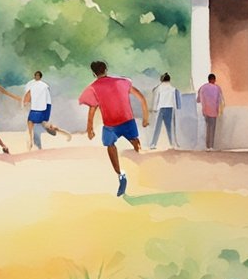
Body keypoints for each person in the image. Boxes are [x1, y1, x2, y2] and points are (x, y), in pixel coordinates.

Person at [78, 60, 149, 197]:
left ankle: (120, 174)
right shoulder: (122, 81)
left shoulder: (93, 88)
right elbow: (141, 97)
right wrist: (145, 117)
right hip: (127, 120)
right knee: (135, 143)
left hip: (111, 124)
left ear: (93, 73)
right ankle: (140, 162)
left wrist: (89, 128)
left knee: (111, 146)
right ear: (106, 69)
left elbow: (93, 109)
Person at [22, 70, 73, 149]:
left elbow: (29, 96)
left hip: (38, 108)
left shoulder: (32, 85)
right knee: (45, 124)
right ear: (41, 77)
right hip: (47, 106)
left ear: (35, 77)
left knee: (30, 122)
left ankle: (30, 142)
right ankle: (67, 134)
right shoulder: (45, 85)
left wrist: (25, 103)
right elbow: (46, 97)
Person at [148, 73, 180, 150]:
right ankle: (172, 144)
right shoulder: (173, 89)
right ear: (169, 79)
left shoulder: (158, 88)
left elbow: (156, 99)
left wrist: (154, 109)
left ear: (161, 80)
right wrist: (176, 109)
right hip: (170, 108)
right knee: (170, 127)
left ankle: (153, 144)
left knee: (157, 127)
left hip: (160, 108)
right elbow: (176, 101)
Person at [198, 73, 225, 151]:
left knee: (207, 128)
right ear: (214, 80)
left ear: (208, 79)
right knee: (212, 128)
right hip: (214, 111)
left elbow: (198, 99)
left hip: (205, 110)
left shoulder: (202, 87)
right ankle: (211, 146)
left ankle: (207, 146)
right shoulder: (217, 88)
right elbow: (221, 100)